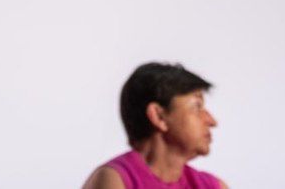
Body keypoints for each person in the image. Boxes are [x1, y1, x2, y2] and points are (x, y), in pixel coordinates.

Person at [82, 62, 228, 189]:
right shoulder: (114, 179)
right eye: (197, 106)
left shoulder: (213, 186)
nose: (212, 121)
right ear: (159, 117)